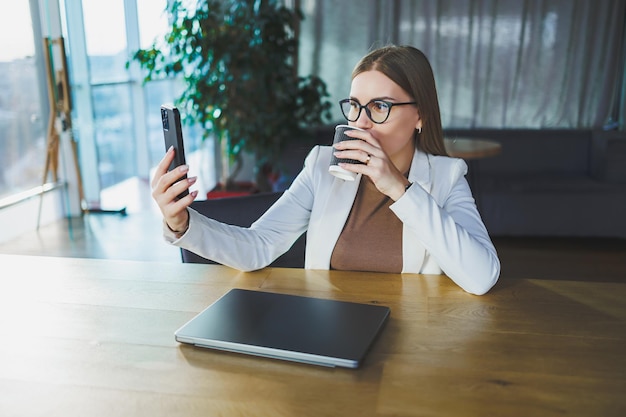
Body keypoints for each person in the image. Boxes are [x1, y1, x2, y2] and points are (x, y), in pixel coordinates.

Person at [151, 45, 500, 295]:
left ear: (420, 115)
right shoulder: (322, 165)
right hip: (329, 332)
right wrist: (181, 223)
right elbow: (257, 247)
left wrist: (398, 187)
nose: (361, 123)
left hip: (412, 339)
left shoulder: (447, 177)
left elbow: (481, 277)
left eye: (380, 106)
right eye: (355, 106)